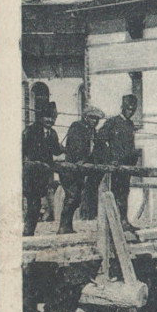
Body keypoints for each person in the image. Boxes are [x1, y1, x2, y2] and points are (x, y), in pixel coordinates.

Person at [95, 94, 141, 231]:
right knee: (115, 192)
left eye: (133, 109)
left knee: (124, 192)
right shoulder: (112, 122)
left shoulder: (130, 124)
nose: (130, 111)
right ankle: (114, 223)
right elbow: (100, 140)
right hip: (116, 165)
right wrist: (110, 158)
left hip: (126, 165)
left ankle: (123, 221)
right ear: (122, 107)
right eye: (128, 108)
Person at [58, 106, 104, 234]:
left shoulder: (92, 131)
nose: (95, 121)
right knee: (72, 196)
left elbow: (95, 148)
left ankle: (67, 226)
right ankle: (63, 226)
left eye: (97, 119)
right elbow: (74, 146)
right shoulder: (77, 127)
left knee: (76, 197)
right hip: (72, 167)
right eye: (92, 118)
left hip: (81, 168)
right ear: (85, 117)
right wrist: (81, 159)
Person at [22, 101, 63, 236]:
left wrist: (63, 149)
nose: (50, 120)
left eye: (53, 118)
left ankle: (30, 231)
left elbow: (56, 151)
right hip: (32, 172)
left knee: (39, 203)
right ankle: (28, 231)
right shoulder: (31, 130)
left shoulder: (52, 133)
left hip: (44, 174)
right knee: (33, 202)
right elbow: (23, 150)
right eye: (47, 117)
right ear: (40, 118)